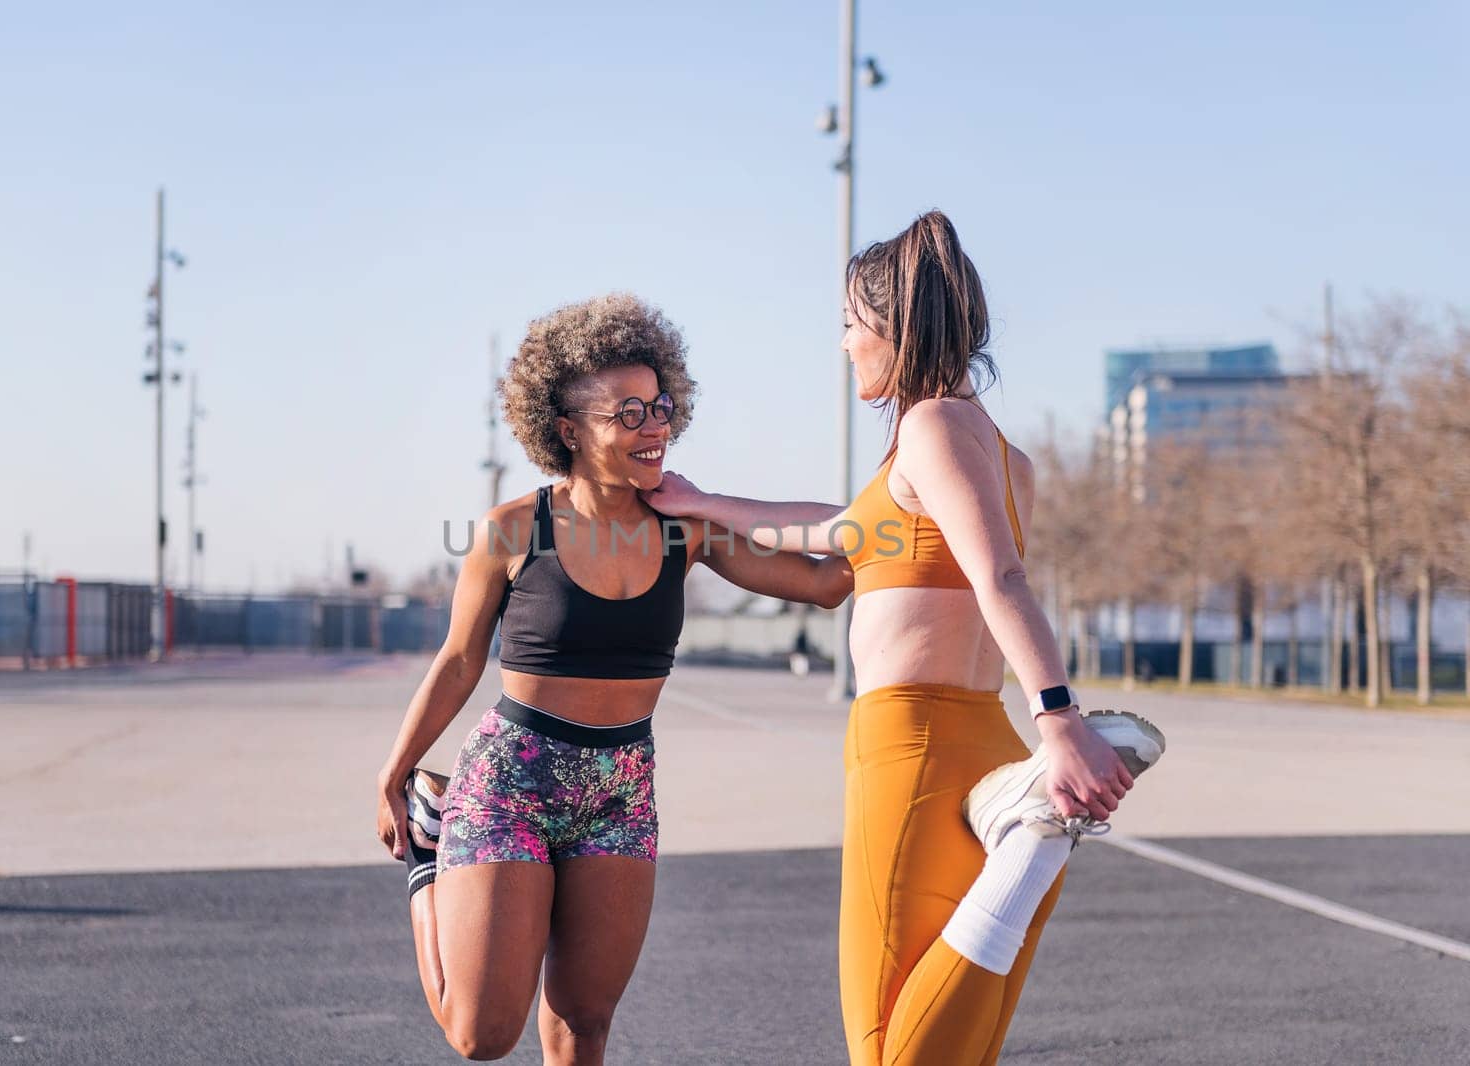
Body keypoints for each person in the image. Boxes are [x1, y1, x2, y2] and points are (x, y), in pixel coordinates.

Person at [643, 210, 1167, 1066]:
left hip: (913, 745)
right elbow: (838, 532)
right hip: (970, 739)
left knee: (889, 1047)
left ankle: (1032, 838)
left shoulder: (929, 429)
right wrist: (705, 504)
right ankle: (1025, 839)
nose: (845, 344)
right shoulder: (995, 452)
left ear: (893, 328)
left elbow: (1000, 579)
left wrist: (1061, 720)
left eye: (851, 326)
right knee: (959, 1040)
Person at [375, 293, 852, 1065]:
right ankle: (432, 865)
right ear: (568, 430)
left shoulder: (684, 529)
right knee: (482, 1034)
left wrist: (712, 503)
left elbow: (834, 575)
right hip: (510, 783)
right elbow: (460, 660)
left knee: (585, 1022)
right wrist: (395, 771)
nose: (653, 425)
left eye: (659, 406)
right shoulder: (510, 531)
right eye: (626, 413)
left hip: (621, 790)